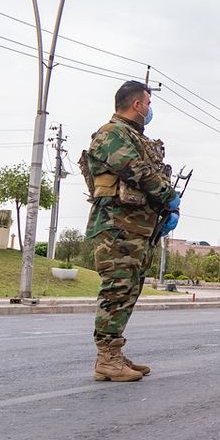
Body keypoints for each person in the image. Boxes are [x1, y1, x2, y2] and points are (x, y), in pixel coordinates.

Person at [78, 80, 180, 382]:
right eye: (148, 103)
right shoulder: (112, 134)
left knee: (129, 290)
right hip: (117, 226)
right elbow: (137, 171)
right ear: (137, 104)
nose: (150, 109)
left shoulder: (135, 137)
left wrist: (167, 207)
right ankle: (106, 359)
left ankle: (114, 354)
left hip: (138, 227)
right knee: (117, 289)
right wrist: (168, 195)